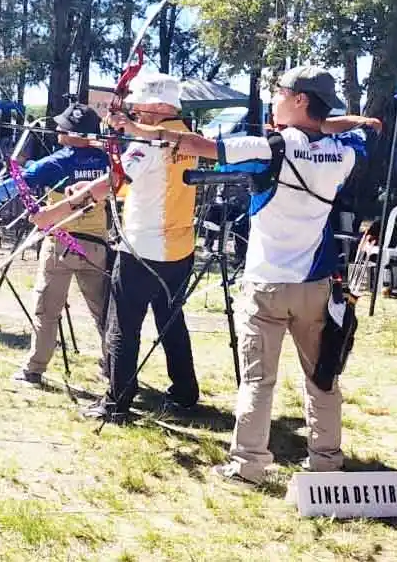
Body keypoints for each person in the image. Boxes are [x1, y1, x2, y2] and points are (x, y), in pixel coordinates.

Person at [103, 66, 378, 483]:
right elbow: (368, 127)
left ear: (300, 99)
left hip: (267, 284)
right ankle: (326, 461)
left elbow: (195, 143)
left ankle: (248, 464)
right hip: (316, 285)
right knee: (322, 377)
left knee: (257, 380)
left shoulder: (270, 146)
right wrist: (338, 120)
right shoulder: (347, 149)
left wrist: (133, 126)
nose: (274, 97)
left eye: (281, 92)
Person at [33, 73, 201, 424]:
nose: (133, 111)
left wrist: (54, 212)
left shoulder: (148, 143)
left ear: (157, 106)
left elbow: (113, 182)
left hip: (142, 249)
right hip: (180, 249)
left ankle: (116, 403)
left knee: (122, 324)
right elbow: (139, 183)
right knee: (171, 320)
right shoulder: (187, 136)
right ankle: (185, 393)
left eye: (138, 104)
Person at [0, 103, 110, 385]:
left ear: (77, 134)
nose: (59, 129)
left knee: (46, 311)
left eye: (66, 127)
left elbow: (12, 186)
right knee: (104, 312)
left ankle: (34, 370)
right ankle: (113, 366)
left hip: (61, 245)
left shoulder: (57, 161)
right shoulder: (106, 162)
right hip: (96, 247)